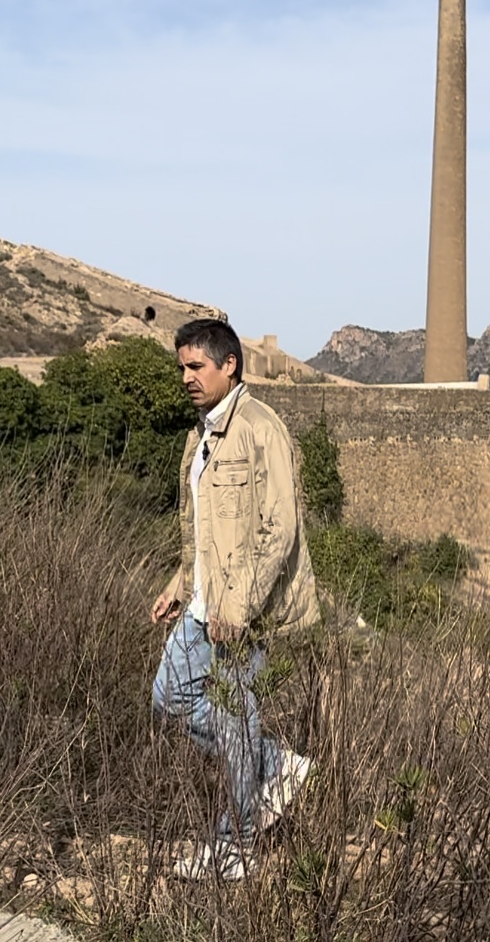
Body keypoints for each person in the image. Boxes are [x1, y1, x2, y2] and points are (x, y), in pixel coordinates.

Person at [150, 317, 319, 882]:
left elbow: (280, 529)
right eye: (182, 367)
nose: (187, 378)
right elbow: (204, 532)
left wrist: (239, 607)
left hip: (247, 613)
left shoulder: (259, 428)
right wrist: (181, 585)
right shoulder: (199, 435)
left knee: (232, 717)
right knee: (169, 698)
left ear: (230, 365)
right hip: (207, 604)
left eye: (197, 366)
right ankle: (273, 762)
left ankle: (237, 845)